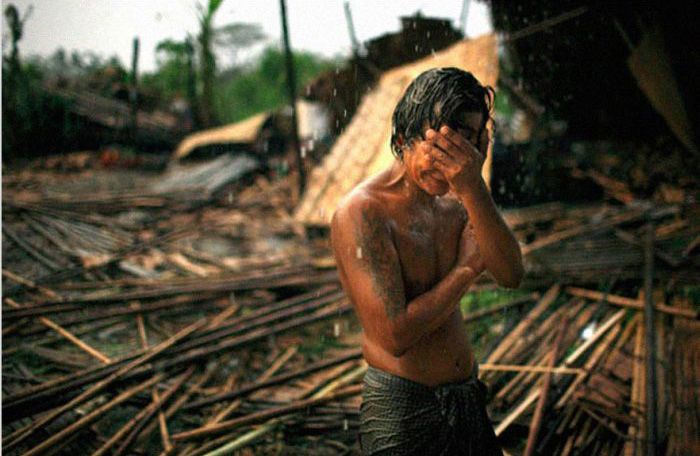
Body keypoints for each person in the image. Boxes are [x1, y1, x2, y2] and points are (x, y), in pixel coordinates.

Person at [330, 67, 523, 455]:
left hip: (466, 398)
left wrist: (473, 184)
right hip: (403, 412)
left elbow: (511, 274)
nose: (452, 166)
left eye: (466, 148)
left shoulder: (458, 200)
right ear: (403, 141)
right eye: (441, 151)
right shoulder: (363, 212)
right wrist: (467, 269)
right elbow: (394, 335)